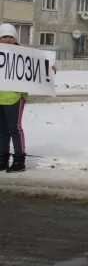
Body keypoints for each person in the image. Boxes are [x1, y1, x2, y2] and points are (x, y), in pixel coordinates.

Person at [0, 24, 29, 173]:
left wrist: (50, 68)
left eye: (11, 37)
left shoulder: (22, 53)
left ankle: (19, 160)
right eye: (4, 36)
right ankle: (3, 159)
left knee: (15, 128)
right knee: (2, 130)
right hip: (1, 97)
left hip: (16, 96)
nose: (8, 40)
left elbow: (39, 65)